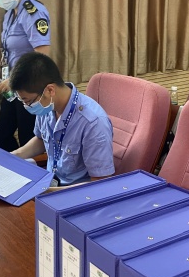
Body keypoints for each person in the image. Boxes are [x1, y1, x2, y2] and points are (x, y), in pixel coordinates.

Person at [10, 52, 115, 186]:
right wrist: (13, 156)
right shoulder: (47, 106)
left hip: (76, 193)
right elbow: (41, 139)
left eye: (29, 101)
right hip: (50, 182)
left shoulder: (93, 122)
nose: (27, 106)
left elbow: (100, 183)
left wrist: (46, 191)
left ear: (50, 90)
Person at [0, 0, 51, 152]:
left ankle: (29, 169)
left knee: (27, 138)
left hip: (31, 86)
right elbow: (9, 51)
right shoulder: (10, 14)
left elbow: (42, 57)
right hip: (12, 87)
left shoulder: (34, 12)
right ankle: (15, 164)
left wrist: (15, 79)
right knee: (0, 132)